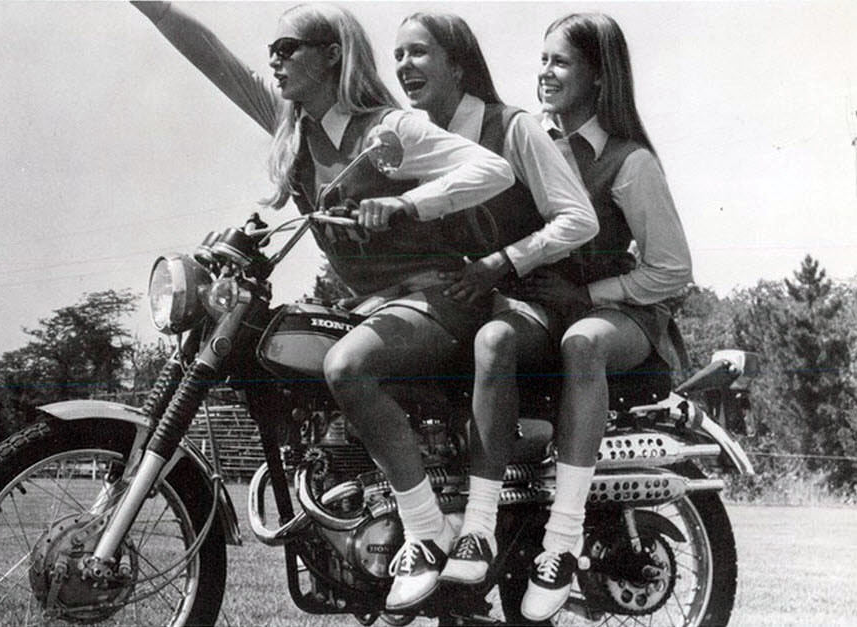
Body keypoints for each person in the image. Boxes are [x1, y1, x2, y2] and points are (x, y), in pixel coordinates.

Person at [130, 2, 515, 612]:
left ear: (333, 53)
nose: (275, 58)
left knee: (346, 367)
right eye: (273, 50)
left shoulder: (389, 131)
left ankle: (426, 533)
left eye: (290, 47)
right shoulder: (295, 128)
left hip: (437, 294)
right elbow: (213, 58)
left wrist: (411, 205)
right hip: (373, 305)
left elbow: (493, 170)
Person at [389, 12, 598, 587]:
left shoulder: (513, 127)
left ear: (459, 64)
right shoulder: (407, 141)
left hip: (533, 301)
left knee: (495, 339)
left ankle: (478, 526)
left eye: (419, 53)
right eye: (398, 54)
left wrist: (503, 262)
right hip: (464, 300)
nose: (405, 66)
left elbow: (579, 219)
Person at [516, 13, 693, 621]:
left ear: (598, 77)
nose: (545, 72)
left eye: (560, 62)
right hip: (545, 309)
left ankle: (562, 538)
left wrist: (588, 297)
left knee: (582, 344)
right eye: (541, 60)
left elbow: (671, 271)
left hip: (621, 316)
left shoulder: (629, 160)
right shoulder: (527, 143)